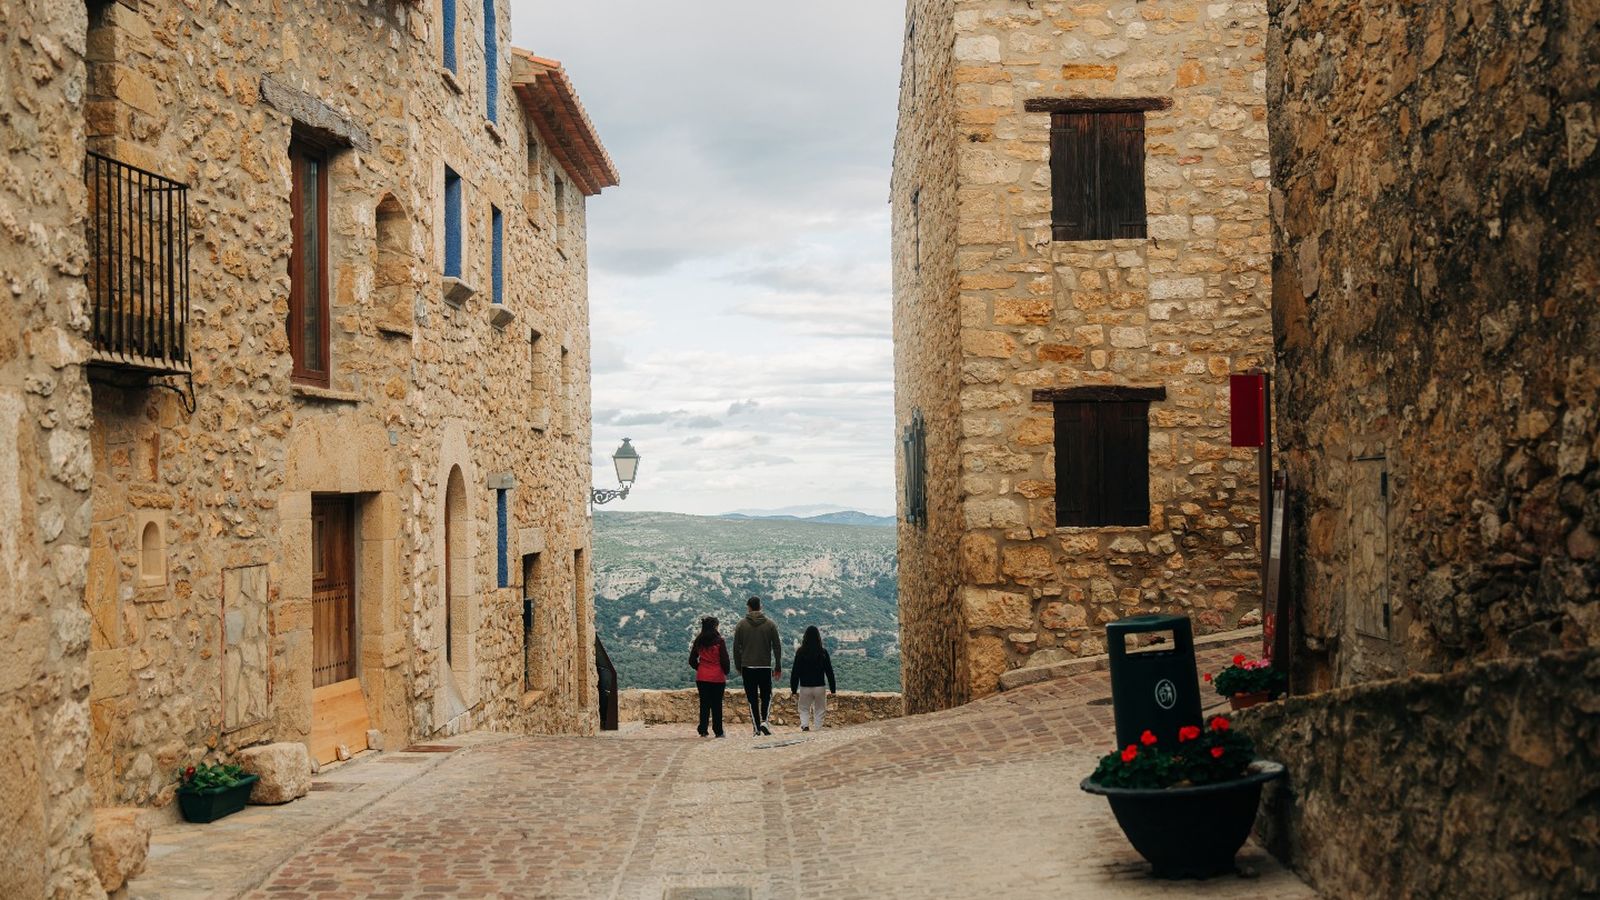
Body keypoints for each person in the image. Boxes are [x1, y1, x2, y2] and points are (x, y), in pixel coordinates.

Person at [732, 596, 781, 736]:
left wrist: (738, 665)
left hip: (747, 667)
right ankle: (764, 721)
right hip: (764, 666)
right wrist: (778, 666)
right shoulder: (770, 624)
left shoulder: (741, 625)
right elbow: (777, 647)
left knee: (752, 699)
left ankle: (756, 729)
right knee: (767, 696)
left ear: (748, 607)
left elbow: (736, 648)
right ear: (761, 607)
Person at [688, 617, 731, 738]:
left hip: (702, 677)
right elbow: (725, 659)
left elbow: (692, 660)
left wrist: (700, 668)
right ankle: (718, 731)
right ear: (715, 627)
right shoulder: (719, 641)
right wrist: (725, 671)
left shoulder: (698, 641)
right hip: (717, 677)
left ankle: (703, 729)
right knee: (717, 705)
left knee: (704, 704)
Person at [789, 626, 836, 732]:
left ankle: (805, 725)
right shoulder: (823, 652)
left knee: (803, 708)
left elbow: (795, 672)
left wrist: (793, 689)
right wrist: (833, 689)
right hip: (820, 686)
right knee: (820, 709)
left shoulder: (800, 652)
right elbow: (829, 672)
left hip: (805, 686)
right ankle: (818, 729)